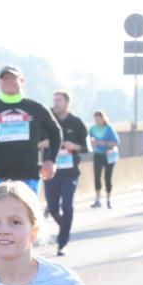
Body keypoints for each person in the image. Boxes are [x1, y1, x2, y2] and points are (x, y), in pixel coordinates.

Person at [0, 65, 61, 197]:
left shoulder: (36, 108)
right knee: (3, 216)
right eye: (5, 78)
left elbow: (56, 133)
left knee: (27, 216)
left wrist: (51, 160)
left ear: (22, 81)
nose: (8, 81)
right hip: (0, 177)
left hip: (29, 176)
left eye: (12, 78)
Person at [44, 90, 88, 254]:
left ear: (67, 103)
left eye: (59, 101)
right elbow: (35, 142)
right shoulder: (47, 121)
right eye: (54, 100)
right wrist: (45, 143)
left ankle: (62, 242)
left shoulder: (76, 122)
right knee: (53, 207)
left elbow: (86, 147)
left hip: (70, 172)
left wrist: (74, 146)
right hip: (50, 171)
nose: (55, 103)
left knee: (67, 205)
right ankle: (65, 226)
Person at [89, 110, 119, 208]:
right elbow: (88, 144)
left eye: (99, 118)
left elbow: (116, 142)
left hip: (108, 155)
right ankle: (98, 199)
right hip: (98, 154)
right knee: (97, 176)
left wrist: (105, 143)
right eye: (95, 119)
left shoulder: (109, 128)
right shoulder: (92, 129)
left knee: (107, 177)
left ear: (103, 118)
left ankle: (109, 199)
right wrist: (92, 143)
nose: (97, 121)